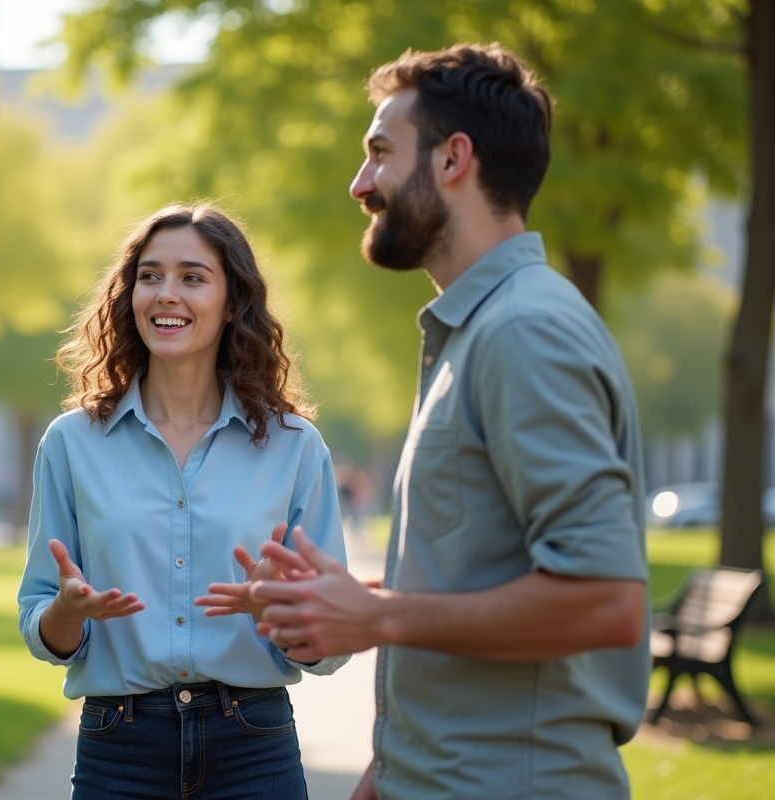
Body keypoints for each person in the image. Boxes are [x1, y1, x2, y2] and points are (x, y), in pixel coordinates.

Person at [246, 45, 651, 800]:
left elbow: (606, 600)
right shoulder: (483, 330)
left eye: (378, 153)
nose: (359, 184)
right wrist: (387, 767)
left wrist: (377, 616)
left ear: (453, 158)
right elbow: (485, 577)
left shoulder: (524, 331)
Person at [18, 202, 350, 800]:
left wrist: (280, 613)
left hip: (254, 746)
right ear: (130, 296)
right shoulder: (71, 443)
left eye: (193, 277)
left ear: (232, 304)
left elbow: (334, 642)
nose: (166, 293)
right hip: (118, 749)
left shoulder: (295, 447)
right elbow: (41, 616)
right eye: (150, 276)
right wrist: (67, 612)